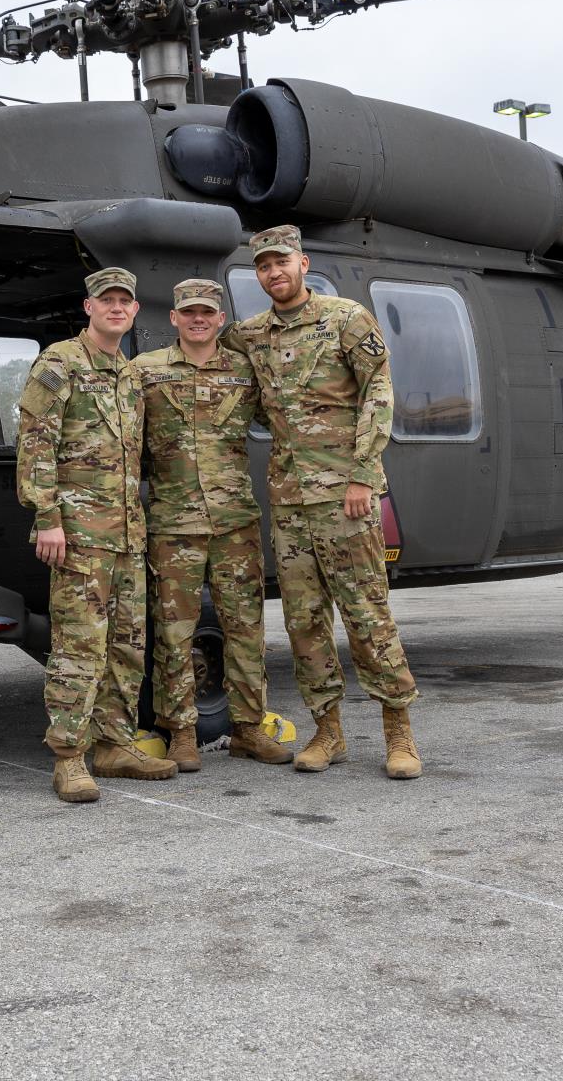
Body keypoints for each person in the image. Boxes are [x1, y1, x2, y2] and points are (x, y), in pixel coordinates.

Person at [230, 225, 422, 779]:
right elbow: (223, 368)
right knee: (304, 622)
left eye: (281, 262)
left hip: (347, 498)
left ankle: (398, 732)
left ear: (303, 263)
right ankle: (328, 732)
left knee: (367, 615)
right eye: (264, 265)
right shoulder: (253, 334)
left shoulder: (346, 319)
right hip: (289, 502)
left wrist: (363, 475)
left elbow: (379, 393)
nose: (274, 272)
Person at [17, 266, 174, 803]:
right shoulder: (59, 363)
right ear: (88, 308)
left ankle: (114, 745)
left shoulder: (129, 376)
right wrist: (47, 518)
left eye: (124, 301)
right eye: (105, 300)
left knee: (127, 647)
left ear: (134, 312)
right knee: (79, 648)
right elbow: (36, 444)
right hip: (80, 535)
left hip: (129, 536)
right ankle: (69, 757)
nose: (115, 308)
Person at [132, 278, 291, 770]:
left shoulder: (245, 371)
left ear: (220, 319)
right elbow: (119, 443)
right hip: (172, 525)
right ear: (174, 318)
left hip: (234, 524)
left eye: (207, 312)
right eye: (188, 312)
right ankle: (179, 732)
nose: (198, 319)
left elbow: (289, 422)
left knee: (245, 627)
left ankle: (247, 729)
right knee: (174, 632)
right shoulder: (144, 371)